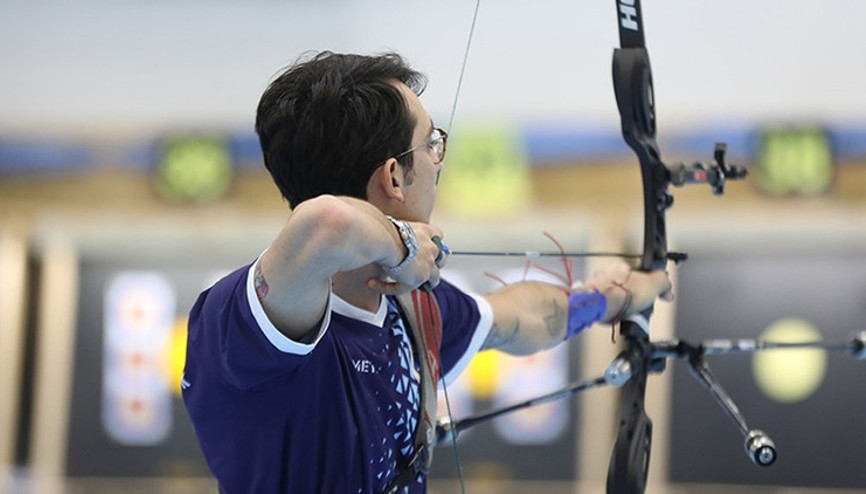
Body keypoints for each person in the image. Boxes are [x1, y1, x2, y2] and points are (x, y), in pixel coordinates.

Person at [181, 51, 672, 493]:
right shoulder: (242, 323)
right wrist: (404, 244)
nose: (438, 163)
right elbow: (326, 223)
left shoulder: (413, 311)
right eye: (431, 144)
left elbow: (520, 319)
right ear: (393, 176)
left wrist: (612, 297)